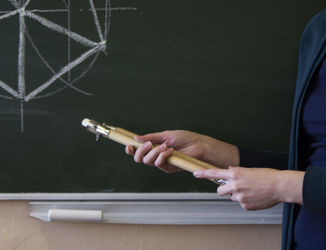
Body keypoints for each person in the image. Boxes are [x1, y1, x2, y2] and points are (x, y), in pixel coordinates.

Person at [125, 9, 326, 250]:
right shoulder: (319, 30)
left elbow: (295, 183)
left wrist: (280, 186)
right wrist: (211, 150)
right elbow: (312, 165)